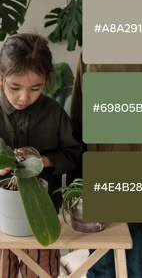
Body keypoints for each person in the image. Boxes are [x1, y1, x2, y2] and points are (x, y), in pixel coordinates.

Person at [69, 0, 142, 278]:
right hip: (120, 183)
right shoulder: (91, 58)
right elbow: (78, 129)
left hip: (131, 183)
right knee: (118, 267)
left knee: (118, 267)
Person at [0, 33, 81, 278]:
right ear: (0, 77)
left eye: (35, 88)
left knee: (42, 270)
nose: (24, 97)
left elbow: (74, 154)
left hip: (43, 211)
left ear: (46, 81)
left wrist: (43, 162)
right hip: (0, 217)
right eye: (15, 87)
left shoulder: (53, 113)